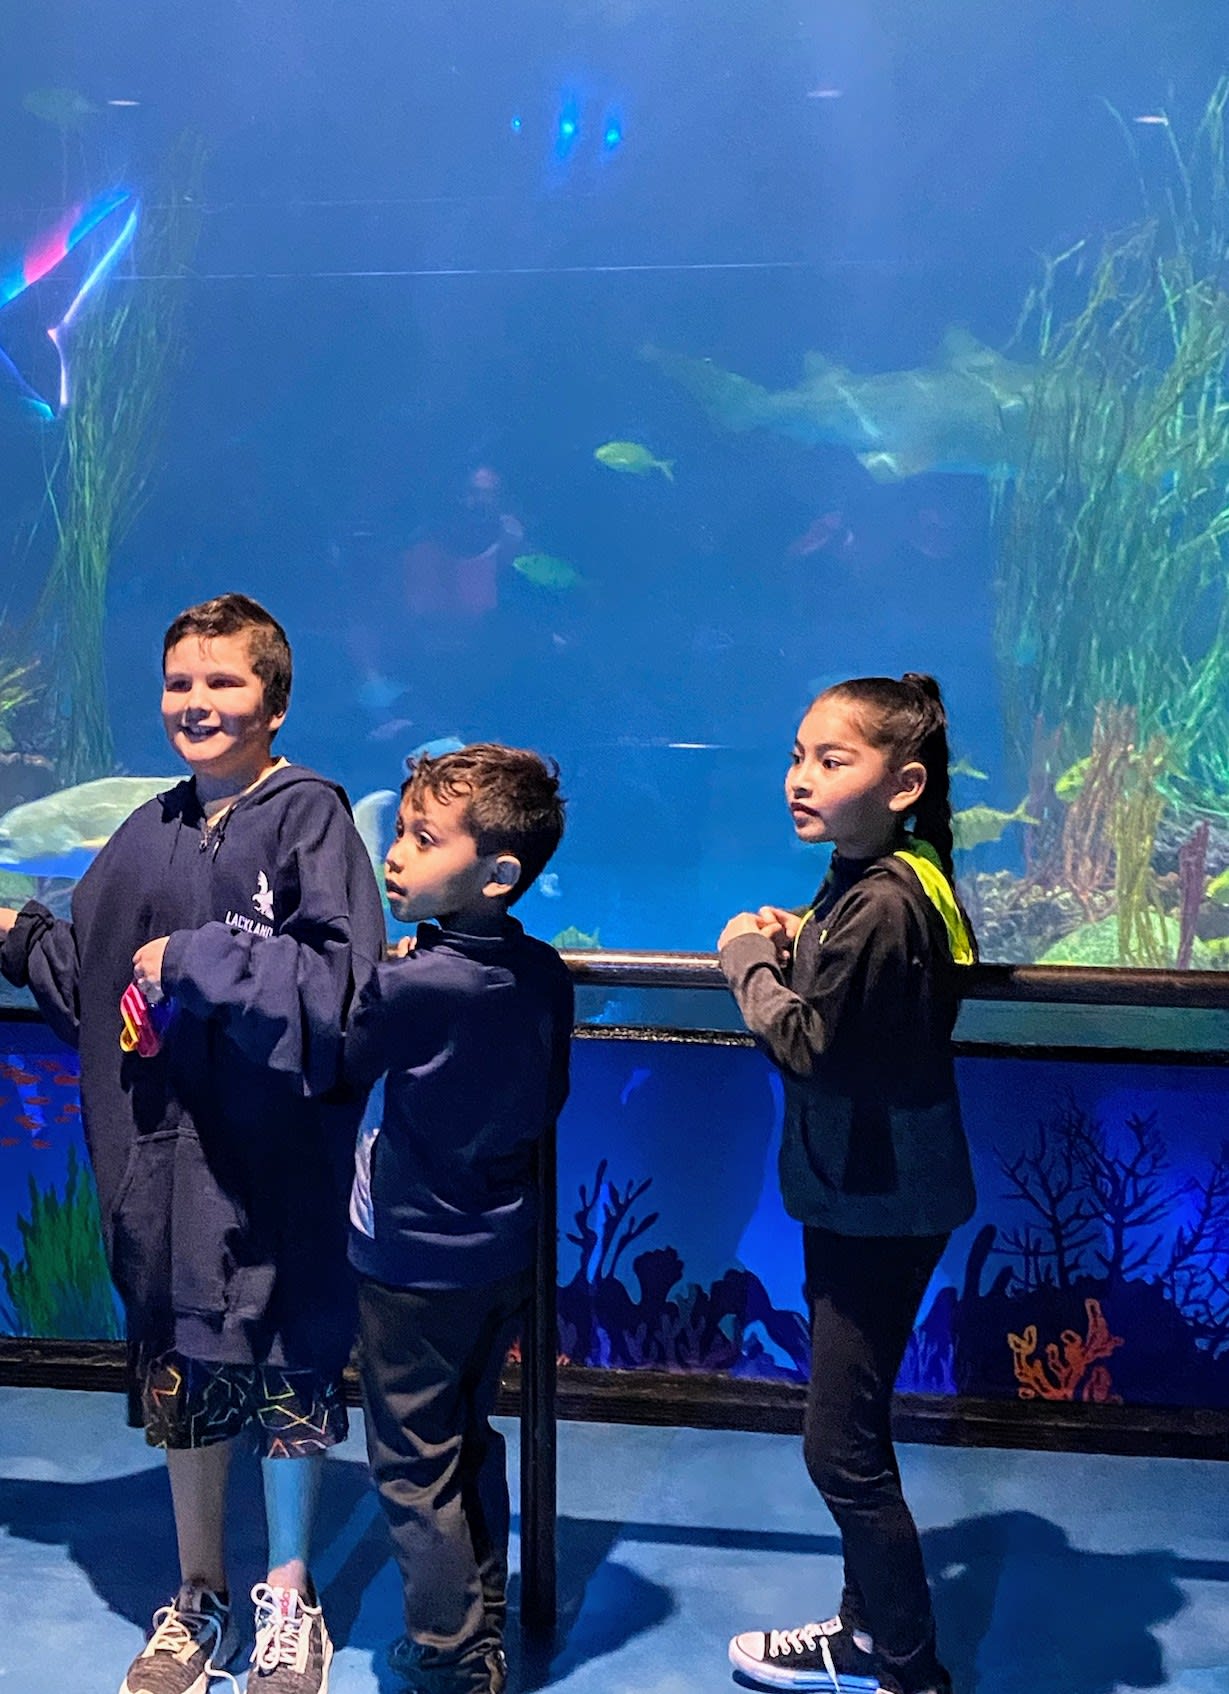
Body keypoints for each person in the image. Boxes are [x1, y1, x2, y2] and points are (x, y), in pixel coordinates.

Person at [0, 593, 386, 1694]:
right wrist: (17, 934)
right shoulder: (149, 828)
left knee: (287, 1371)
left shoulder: (309, 820)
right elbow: (93, 971)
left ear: (275, 699)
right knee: (183, 1366)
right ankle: (199, 1593)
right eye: (179, 682)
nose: (196, 702)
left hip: (275, 1166)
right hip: (164, 1163)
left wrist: (197, 959)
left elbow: (341, 985)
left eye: (223, 681)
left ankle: (290, 1596)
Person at [716, 673, 977, 1694]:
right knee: (855, 1432)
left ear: (902, 784)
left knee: (838, 1451)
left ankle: (907, 1670)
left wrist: (747, 958)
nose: (800, 777)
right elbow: (856, 978)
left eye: (832, 760)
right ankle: (865, 1634)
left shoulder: (879, 903)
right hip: (873, 1191)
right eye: (797, 755)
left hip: (878, 1200)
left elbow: (808, 1044)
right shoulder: (891, 872)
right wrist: (803, 933)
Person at [344, 742, 573, 1694]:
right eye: (400, 831)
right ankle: (484, 1619)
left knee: (410, 1463)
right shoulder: (543, 972)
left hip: (409, 1260)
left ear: (497, 873)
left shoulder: (414, 983)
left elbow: (339, 1050)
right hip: (501, 1251)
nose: (394, 854)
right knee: (469, 1437)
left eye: (423, 838)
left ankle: (449, 1655)